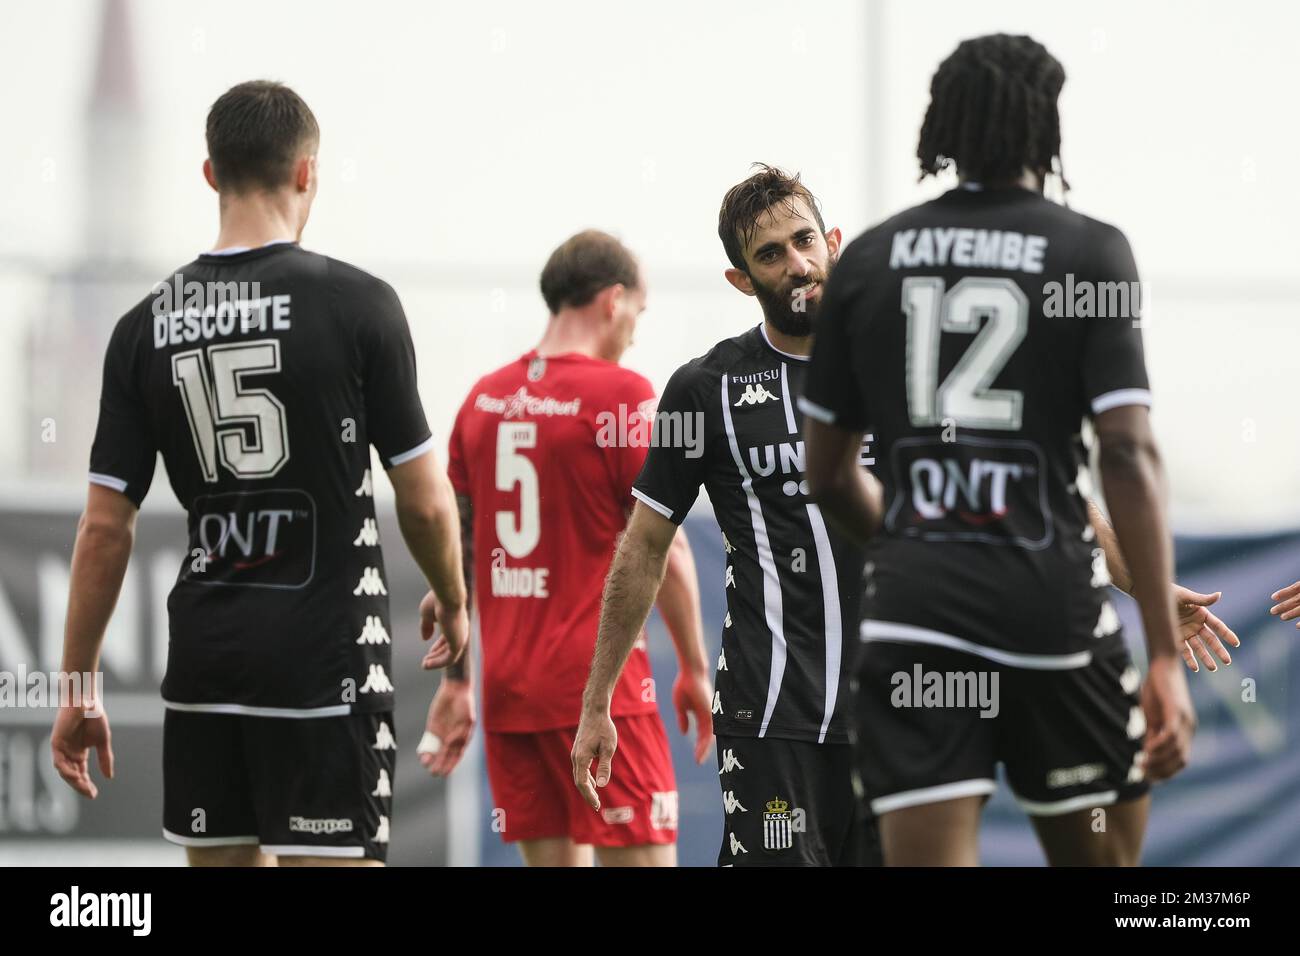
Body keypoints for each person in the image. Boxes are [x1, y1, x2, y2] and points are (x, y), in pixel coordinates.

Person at [50, 80, 467, 866]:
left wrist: (77, 690)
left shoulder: (143, 327)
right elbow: (426, 504)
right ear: (307, 173)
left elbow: (104, 529)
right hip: (325, 663)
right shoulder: (360, 305)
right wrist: (453, 601)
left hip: (207, 664)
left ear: (210, 173)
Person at [802, 34, 1195, 866]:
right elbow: (1125, 455)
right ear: (1043, 126)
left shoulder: (867, 260)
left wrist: (916, 544)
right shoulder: (1092, 251)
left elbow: (828, 475)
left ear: (943, 125)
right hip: (1052, 612)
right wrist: (1161, 647)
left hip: (917, 617)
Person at [574, 167, 880, 866]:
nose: (797, 263)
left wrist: (1136, 581)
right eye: (770, 254)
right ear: (742, 280)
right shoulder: (704, 389)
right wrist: (599, 701)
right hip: (771, 719)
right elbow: (646, 544)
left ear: (833, 243)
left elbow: (1019, 491)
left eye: (805, 241)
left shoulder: (897, 364)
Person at [432, 230, 713, 867]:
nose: (636, 332)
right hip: (599, 693)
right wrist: (696, 667)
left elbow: (458, 552)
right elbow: (661, 548)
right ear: (613, 301)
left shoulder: (481, 401)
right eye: (638, 313)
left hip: (511, 692)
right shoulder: (622, 394)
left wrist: (459, 678)